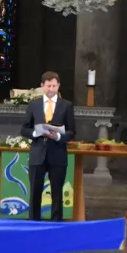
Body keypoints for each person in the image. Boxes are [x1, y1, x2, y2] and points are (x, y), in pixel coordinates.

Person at [20, 70, 74, 222]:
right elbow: (24, 129)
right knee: (35, 192)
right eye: (48, 86)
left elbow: (72, 132)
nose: (51, 89)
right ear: (42, 86)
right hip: (38, 154)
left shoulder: (67, 106)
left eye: (54, 86)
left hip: (57, 154)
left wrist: (57, 136)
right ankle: (33, 223)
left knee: (57, 192)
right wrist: (37, 133)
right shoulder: (34, 105)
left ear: (58, 86)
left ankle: (56, 224)